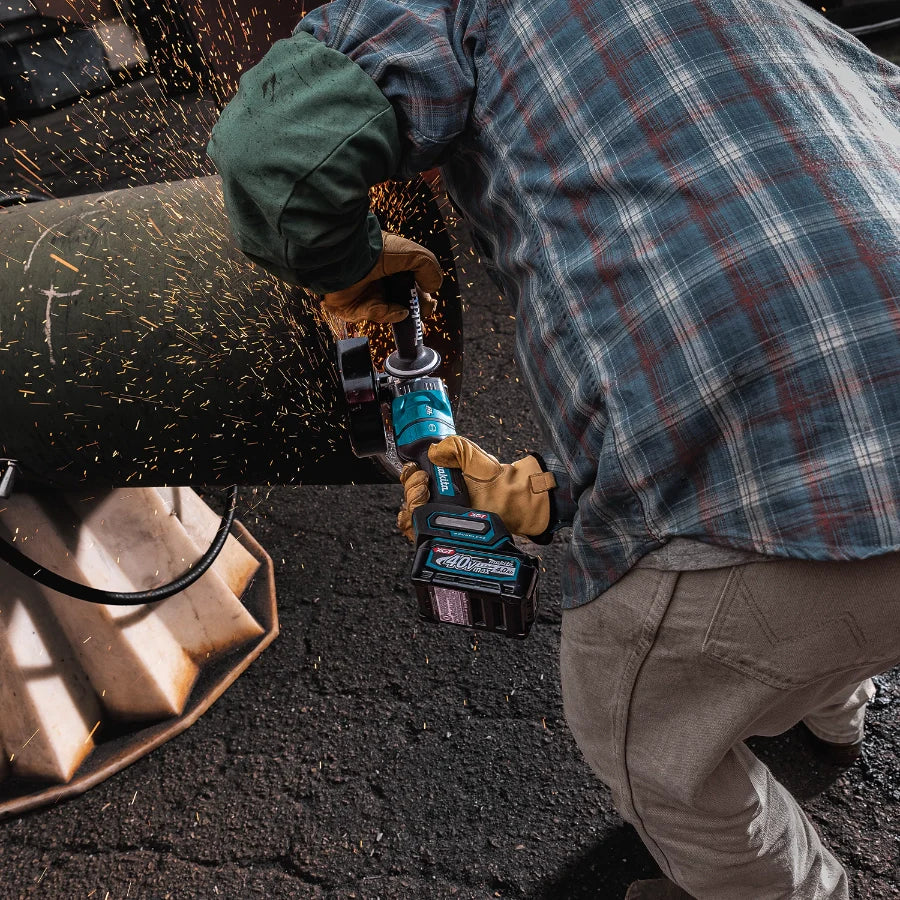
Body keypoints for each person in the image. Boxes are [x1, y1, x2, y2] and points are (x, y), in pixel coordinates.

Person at [206, 1, 900, 896]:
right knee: (834, 582)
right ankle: (834, 716)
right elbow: (762, 297)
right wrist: (547, 491)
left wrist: (353, 267)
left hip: (761, 535)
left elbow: (273, 160)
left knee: (641, 730)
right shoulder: (789, 19)